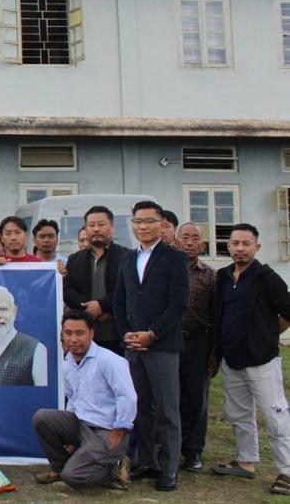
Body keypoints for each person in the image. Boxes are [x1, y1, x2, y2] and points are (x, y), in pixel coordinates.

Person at [113, 200, 189, 492]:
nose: (142, 227)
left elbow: (178, 304)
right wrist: (126, 335)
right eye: (138, 221)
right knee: (140, 407)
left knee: (167, 410)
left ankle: (169, 469)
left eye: (149, 221)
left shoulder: (174, 258)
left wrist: (153, 334)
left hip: (163, 346)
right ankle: (147, 462)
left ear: (162, 224)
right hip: (133, 346)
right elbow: (120, 302)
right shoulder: (127, 259)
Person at [209, 224, 290, 495]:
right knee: (239, 414)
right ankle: (245, 461)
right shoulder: (222, 277)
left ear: (257, 247)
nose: (240, 248)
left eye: (246, 243)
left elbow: (288, 310)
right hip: (232, 360)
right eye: (235, 243)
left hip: (262, 361)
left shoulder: (267, 278)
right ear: (228, 246)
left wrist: (268, 334)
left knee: (275, 415)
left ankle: (287, 471)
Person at [33, 311, 135, 490]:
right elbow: (73, 399)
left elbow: (127, 397)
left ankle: (116, 467)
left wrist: (119, 431)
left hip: (107, 431)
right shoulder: (68, 364)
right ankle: (60, 468)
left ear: (92, 334)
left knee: (72, 477)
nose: (73, 339)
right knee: (42, 418)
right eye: (68, 333)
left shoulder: (109, 360)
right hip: (81, 426)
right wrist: (70, 437)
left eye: (79, 333)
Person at [175, 222, 217, 472]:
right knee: (172, 397)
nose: (189, 243)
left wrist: (214, 352)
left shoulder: (211, 276)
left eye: (195, 239)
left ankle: (193, 451)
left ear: (202, 245)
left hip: (198, 342)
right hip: (169, 341)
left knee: (197, 398)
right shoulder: (166, 270)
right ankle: (171, 447)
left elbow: (216, 315)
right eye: (185, 237)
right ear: (176, 241)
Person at [64, 206, 130, 356]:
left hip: (118, 333)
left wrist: (101, 305)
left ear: (112, 226)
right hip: (84, 335)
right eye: (91, 225)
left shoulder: (127, 257)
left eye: (101, 224)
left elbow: (128, 290)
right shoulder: (74, 259)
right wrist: (88, 307)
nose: (96, 229)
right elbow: (67, 290)